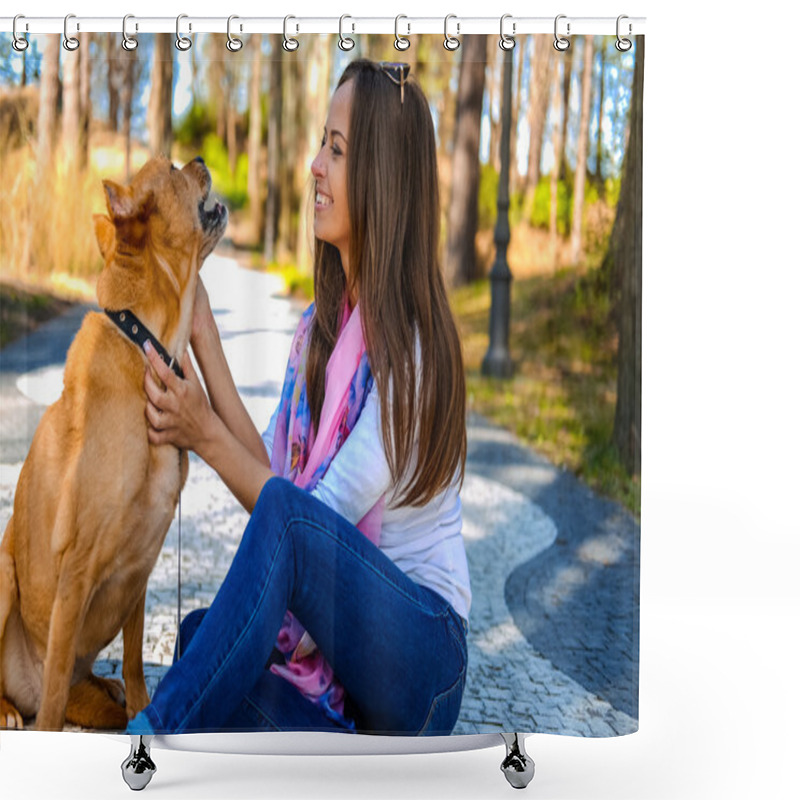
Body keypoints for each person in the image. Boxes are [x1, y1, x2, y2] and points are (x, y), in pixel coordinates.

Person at [128, 59, 470, 736]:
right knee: (207, 638)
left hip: (421, 664)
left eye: (337, 151)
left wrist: (202, 433)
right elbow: (277, 483)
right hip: (345, 654)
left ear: (382, 177)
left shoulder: (415, 350)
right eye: (322, 143)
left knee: (237, 616)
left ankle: (149, 744)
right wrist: (204, 339)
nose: (315, 165)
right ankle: (329, 754)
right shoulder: (323, 329)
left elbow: (305, 517)